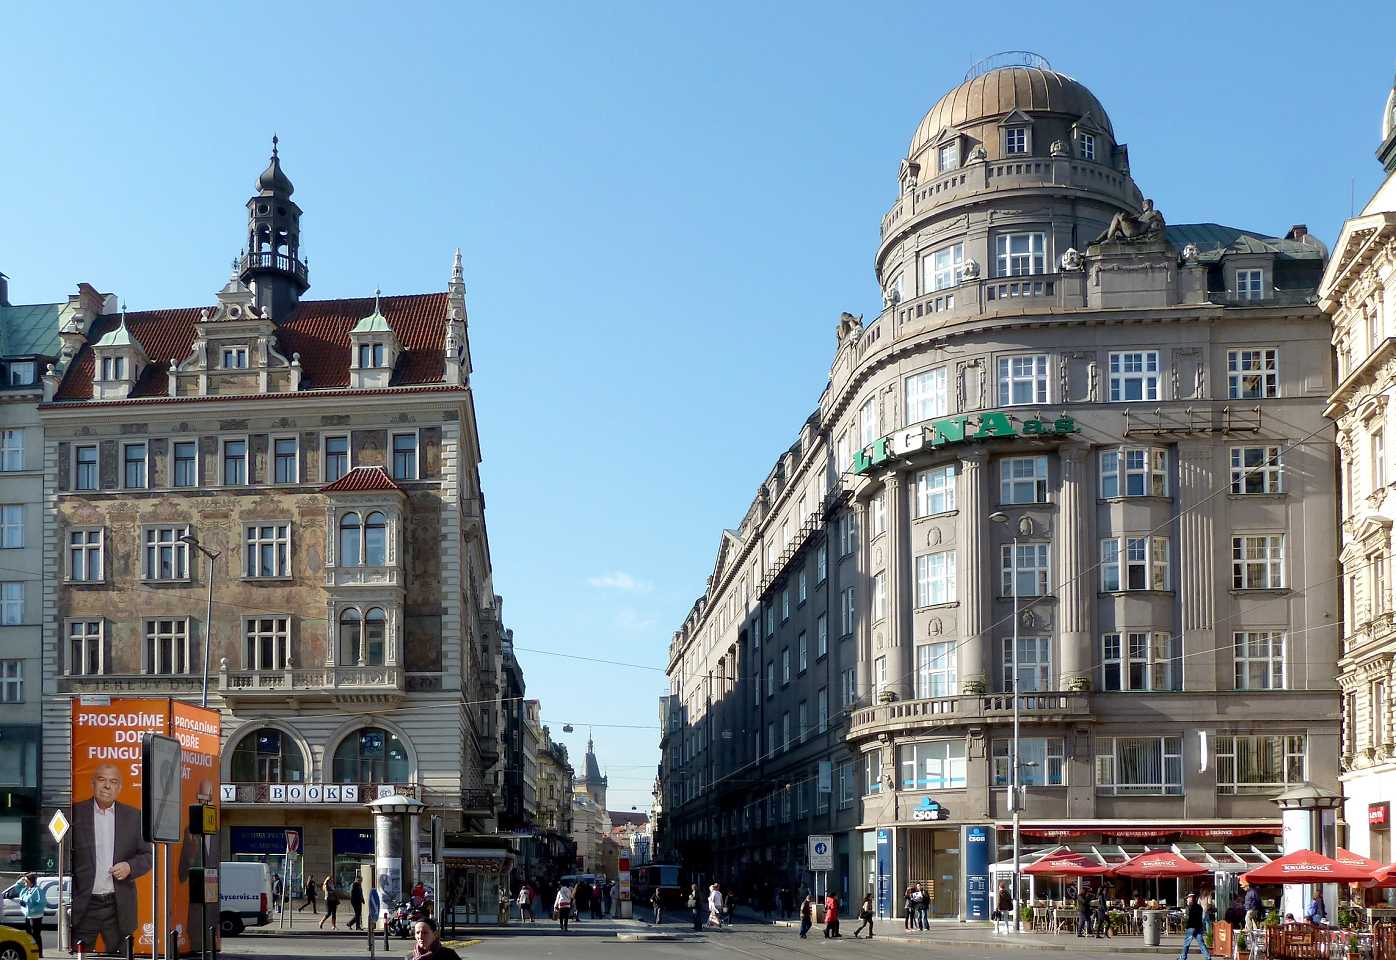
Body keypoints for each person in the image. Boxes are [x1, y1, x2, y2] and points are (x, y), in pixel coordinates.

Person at [71, 763, 152, 955]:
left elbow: (148, 856)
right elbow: (65, 855)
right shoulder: (75, 814)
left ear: (119, 788)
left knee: (123, 956)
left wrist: (130, 866)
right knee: (80, 956)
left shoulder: (133, 816)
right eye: (102, 779)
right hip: (85, 905)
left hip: (119, 906)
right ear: (93, 783)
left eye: (113, 782)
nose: (107, 786)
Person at [3, 873, 46, 956]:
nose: (24, 883)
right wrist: (21, 880)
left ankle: (39, 953)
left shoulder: (37, 890)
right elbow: (17, 888)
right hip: (28, 915)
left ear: (31, 881)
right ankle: (32, 951)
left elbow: (42, 903)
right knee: (29, 935)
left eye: (26, 881)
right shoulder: (25, 889)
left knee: (35, 935)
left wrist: (31, 909)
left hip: (35, 916)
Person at [1179, 893, 1211, 960]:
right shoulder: (1199, 907)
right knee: (1201, 943)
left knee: (1186, 943)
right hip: (1198, 927)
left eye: (1188, 898)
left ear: (1191, 899)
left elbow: (1188, 917)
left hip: (1191, 927)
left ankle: (1183, 957)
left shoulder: (1190, 907)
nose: (1187, 900)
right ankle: (1207, 957)